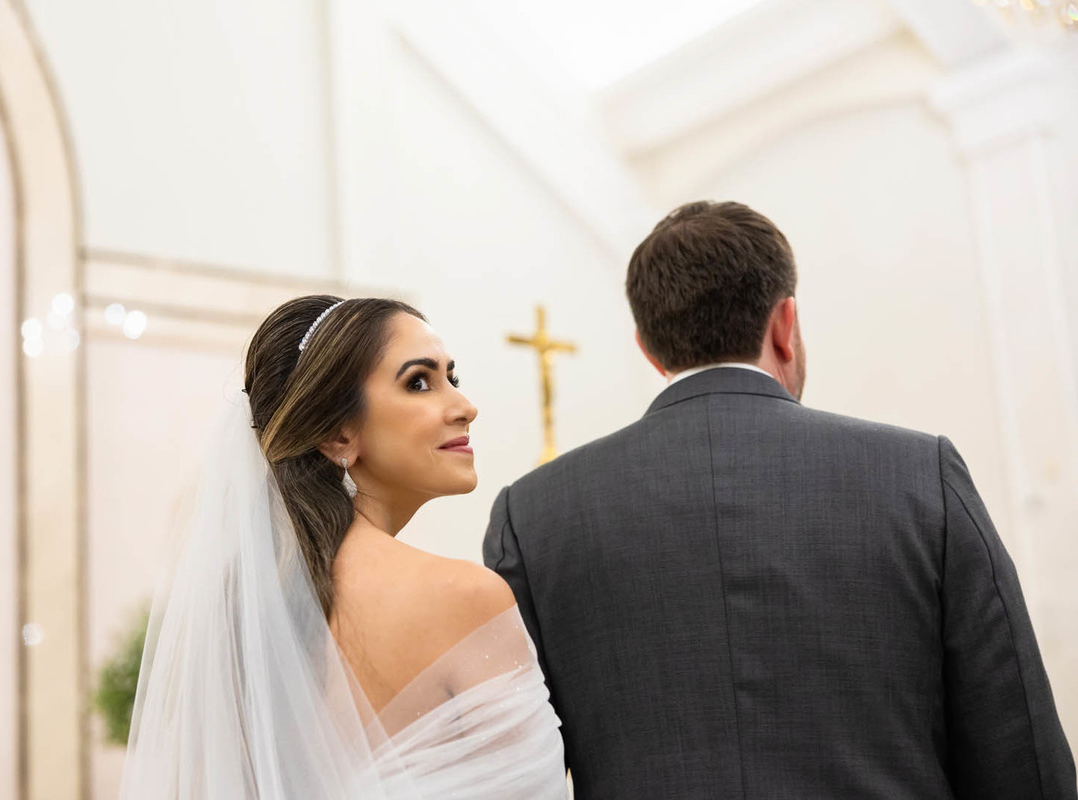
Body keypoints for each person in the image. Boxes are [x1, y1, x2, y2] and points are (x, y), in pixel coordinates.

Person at [485, 201, 1077, 799]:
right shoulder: (921, 474)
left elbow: (507, 776)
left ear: (648, 348)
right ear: (784, 323)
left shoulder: (533, 516)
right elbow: (1021, 754)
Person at [122, 296, 567, 799]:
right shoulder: (464, 597)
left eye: (452, 378)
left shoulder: (241, 614)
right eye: (419, 381)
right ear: (337, 435)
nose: (465, 407)